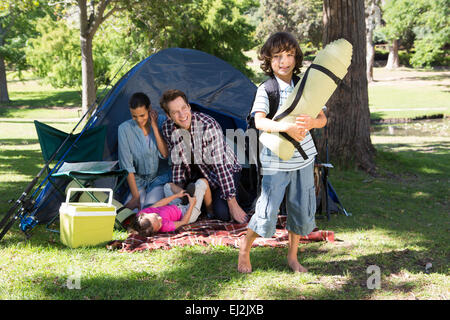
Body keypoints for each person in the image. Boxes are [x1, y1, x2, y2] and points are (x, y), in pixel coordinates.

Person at [238, 32, 327, 273]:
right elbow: (259, 122)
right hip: (276, 160)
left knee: (300, 208)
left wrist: (312, 123)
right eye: (277, 56)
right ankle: (244, 249)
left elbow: (322, 118)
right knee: (267, 209)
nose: (284, 61)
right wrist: (285, 127)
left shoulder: (305, 85)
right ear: (268, 60)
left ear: (296, 58)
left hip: (304, 158)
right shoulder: (266, 89)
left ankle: (293, 257)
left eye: (289, 55)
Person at [159, 89, 248, 224]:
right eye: (175, 112)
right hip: (198, 173)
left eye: (184, 108)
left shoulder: (208, 126)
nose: (182, 115)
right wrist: (180, 191)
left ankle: (241, 193)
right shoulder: (167, 128)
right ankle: (207, 198)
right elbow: (177, 161)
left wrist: (232, 203)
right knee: (193, 195)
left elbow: (221, 165)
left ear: (189, 106)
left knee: (223, 214)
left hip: (224, 171)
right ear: (168, 115)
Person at [118, 92, 171, 211]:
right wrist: (136, 196)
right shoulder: (124, 129)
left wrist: (155, 127)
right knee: (132, 212)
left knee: (149, 210)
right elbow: (127, 167)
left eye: (142, 115)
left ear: (150, 109)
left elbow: (165, 154)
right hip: (138, 182)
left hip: (159, 179)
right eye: (134, 116)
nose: (139, 120)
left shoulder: (162, 121)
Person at [127, 178, 211, 236]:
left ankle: (185, 195)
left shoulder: (142, 214)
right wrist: (192, 205)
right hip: (187, 213)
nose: (160, 219)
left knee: (168, 186)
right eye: (159, 224)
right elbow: (184, 222)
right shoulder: (165, 227)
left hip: (175, 206)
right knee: (202, 182)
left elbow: (158, 204)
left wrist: (176, 196)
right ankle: (211, 213)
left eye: (156, 217)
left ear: (145, 214)